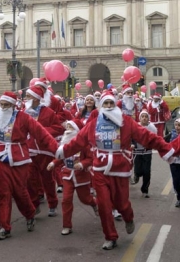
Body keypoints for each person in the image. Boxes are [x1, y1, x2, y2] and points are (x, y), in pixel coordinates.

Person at [55, 90, 174, 250]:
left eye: (111, 103)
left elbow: (147, 136)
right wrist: (62, 151)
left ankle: (128, 217)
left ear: (115, 105)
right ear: (101, 106)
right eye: (106, 103)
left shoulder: (126, 122)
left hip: (120, 170)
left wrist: (166, 149)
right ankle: (110, 237)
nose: (109, 106)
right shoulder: (93, 124)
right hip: (99, 171)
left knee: (122, 203)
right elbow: (77, 142)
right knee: (104, 205)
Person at [0, 91, 58, 240]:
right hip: (1, 160)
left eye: (6, 105)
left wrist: (58, 150)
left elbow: (42, 134)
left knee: (20, 192)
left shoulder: (24, 118)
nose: (3, 107)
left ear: (13, 106)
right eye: (1, 105)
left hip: (19, 160)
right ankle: (5, 227)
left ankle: (30, 214)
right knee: (4, 193)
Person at [47, 119, 98, 235]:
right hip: (67, 175)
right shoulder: (64, 144)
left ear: (77, 130)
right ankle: (66, 225)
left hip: (81, 176)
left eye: (70, 128)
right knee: (66, 199)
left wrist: (82, 164)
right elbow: (60, 157)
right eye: (67, 127)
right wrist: (53, 163)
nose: (67, 130)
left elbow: (90, 159)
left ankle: (94, 203)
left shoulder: (84, 145)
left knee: (85, 198)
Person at [25, 86, 64, 216]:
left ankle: (52, 204)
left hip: (44, 151)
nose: (26, 99)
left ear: (36, 99)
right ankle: (34, 204)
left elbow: (58, 128)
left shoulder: (48, 112)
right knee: (30, 179)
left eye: (29, 97)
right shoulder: (25, 112)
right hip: (29, 150)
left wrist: (42, 131)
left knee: (47, 179)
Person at [130, 110, 157, 197]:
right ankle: (136, 175)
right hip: (137, 152)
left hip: (147, 152)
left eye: (146, 116)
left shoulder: (152, 128)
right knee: (138, 170)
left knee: (146, 171)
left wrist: (150, 145)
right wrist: (133, 144)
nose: (144, 118)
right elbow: (131, 137)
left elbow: (154, 139)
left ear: (148, 118)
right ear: (140, 118)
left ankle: (145, 190)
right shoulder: (135, 126)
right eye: (143, 116)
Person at [167, 118, 180, 207]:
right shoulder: (171, 134)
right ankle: (179, 197)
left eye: (179, 125)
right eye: (176, 125)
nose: (177, 127)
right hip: (174, 162)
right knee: (176, 181)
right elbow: (162, 142)